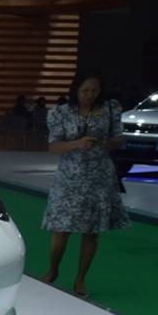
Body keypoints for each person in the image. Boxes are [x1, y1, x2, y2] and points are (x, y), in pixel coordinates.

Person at [41, 71, 130, 296]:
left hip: (99, 177)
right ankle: (53, 270)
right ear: (76, 90)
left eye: (95, 90)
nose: (90, 95)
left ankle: (80, 280)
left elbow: (119, 139)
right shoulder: (60, 112)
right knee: (61, 229)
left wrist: (110, 142)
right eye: (85, 90)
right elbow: (53, 146)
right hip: (69, 178)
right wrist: (77, 144)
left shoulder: (110, 109)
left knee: (91, 232)